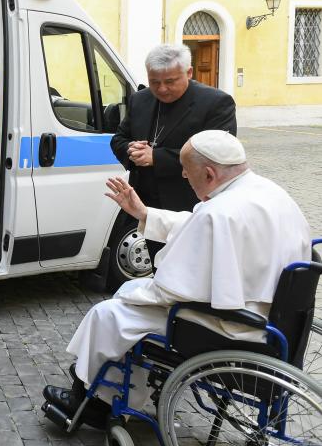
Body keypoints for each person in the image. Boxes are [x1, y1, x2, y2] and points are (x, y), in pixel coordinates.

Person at [43, 131, 310, 426]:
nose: (183, 175)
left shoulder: (221, 212)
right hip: (272, 321)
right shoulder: (268, 192)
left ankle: (93, 400)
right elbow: (201, 223)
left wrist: (133, 294)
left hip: (229, 326)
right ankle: (108, 385)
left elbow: (171, 289)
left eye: (187, 170)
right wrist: (144, 213)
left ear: (209, 173)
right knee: (128, 302)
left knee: (110, 313)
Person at [111, 44, 236, 214]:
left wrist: (156, 157)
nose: (161, 89)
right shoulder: (140, 99)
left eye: (170, 81)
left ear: (189, 73)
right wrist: (132, 150)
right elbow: (119, 139)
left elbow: (218, 154)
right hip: (144, 203)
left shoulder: (216, 103)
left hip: (189, 204)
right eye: (154, 82)